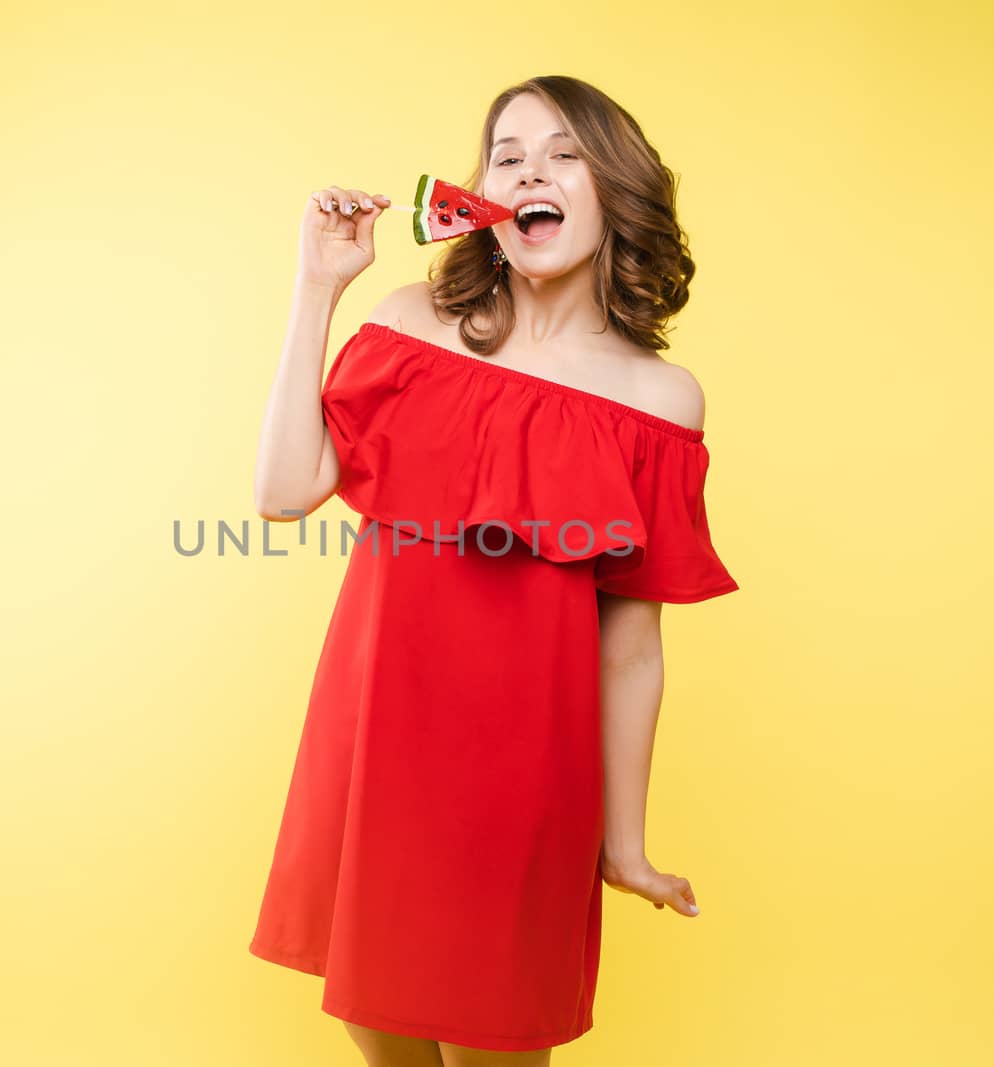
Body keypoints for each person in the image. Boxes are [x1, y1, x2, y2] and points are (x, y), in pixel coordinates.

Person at [249, 75, 739, 1066]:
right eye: (505, 156)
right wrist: (316, 288)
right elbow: (283, 487)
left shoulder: (660, 398)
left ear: (615, 192)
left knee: (496, 1041)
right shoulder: (409, 321)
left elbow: (631, 649)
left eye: (561, 154)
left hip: (524, 772)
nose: (526, 172)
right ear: (480, 200)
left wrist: (624, 839)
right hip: (375, 729)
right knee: (375, 1018)